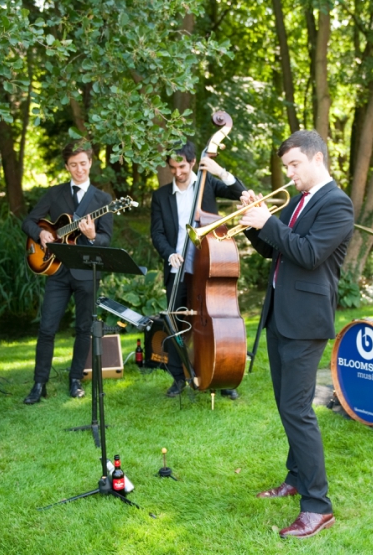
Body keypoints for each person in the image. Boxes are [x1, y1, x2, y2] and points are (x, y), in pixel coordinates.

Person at [238, 130, 353, 539]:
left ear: (317, 159)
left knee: (297, 409)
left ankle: (318, 506)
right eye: (285, 166)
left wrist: (269, 221)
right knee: (289, 405)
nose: (289, 173)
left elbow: (306, 253)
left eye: (294, 165)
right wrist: (255, 223)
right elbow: (275, 248)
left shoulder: (336, 203)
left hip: (305, 321)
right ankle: (296, 478)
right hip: (281, 315)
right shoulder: (301, 201)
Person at [150, 140, 246, 399]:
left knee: (215, 322)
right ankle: (179, 378)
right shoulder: (160, 196)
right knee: (175, 321)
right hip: (178, 268)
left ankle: (220, 374)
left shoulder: (209, 184)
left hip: (210, 264)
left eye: (182, 166)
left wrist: (219, 171)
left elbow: (243, 194)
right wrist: (170, 253)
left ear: (193, 162)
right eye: (172, 167)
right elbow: (157, 233)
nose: (178, 172)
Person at [22, 142, 114, 404]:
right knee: (47, 328)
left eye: (83, 163)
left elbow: (107, 239)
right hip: (57, 270)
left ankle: (75, 380)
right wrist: (40, 232)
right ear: (66, 167)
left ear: (91, 163)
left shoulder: (103, 200)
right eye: (73, 165)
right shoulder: (54, 194)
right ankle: (39, 384)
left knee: (84, 329)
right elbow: (28, 221)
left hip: (87, 272)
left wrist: (93, 235)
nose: (79, 169)